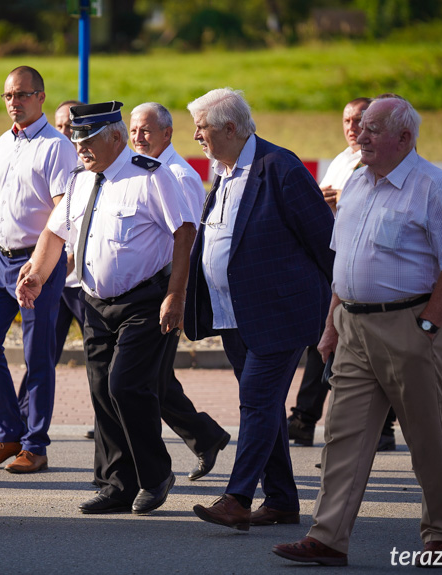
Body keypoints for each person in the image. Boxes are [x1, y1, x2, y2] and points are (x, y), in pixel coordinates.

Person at [273, 97, 442, 567]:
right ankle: (328, 538)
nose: (360, 136)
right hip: (352, 326)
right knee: (343, 436)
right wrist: (329, 328)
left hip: (408, 325)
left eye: (373, 130)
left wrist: (427, 327)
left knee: (424, 436)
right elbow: (344, 266)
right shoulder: (356, 184)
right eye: (360, 128)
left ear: (404, 138)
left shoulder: (433, 188)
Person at [16, 101, 195, 515]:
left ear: (116, 137)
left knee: (125, 386)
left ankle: (155, 476)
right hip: (95, 302)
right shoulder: (80, 180)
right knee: (101, 392)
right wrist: (37, 275)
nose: (80, 147)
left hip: (144, 300)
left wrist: (176, 294)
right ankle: (116, 484)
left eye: (88, 139)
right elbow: (54, 233)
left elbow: (184, 232)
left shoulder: (152, 176)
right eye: (76, 139)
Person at [184, 88, 335, 531]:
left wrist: (337, 312)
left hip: (281, 314)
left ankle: (237, 498)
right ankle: (284, 500)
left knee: (255, 400)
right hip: (235, 316)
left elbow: (324, 242)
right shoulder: (225, 170)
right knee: (264, 406)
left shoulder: (280, 167)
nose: (196, 136)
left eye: (202, 128)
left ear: (230, 128)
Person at [0, 66, 77, 474]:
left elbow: (64, 209)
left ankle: (35, 446)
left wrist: (42, 264)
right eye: (9, 96)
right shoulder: (3, 142)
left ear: (41, 97)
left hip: (37, 262)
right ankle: (9, 433)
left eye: (22, 95)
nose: (14, 102)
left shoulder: (57, 146)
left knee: (37, 356)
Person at [287, 97, 398, 453]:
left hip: (366, 266)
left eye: (361, 120)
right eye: (347, 120)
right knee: (323, 341)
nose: (353, 128)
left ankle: (378, 426)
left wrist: (339, 201)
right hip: (332, 261)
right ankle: (306, 419)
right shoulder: (341, 159)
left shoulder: (375, 162)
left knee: (361, 350)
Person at [129, 102, 230, 480]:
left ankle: (199, 440)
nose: (138, 137)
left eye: (147, 131)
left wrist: (179, 294)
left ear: (167, 134)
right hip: (152, 286)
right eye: (134, 130)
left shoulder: (177, 174)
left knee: (148, 379)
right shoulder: (143, 168)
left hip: (167, 287)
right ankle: (206, 436)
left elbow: (188, 238)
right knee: (154, 378)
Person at [16, 99, 94, 439]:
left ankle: (109, 421)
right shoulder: (58, 162)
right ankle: (20, 426)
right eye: (60, 126)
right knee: (40, 354)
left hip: (83, 282)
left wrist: (63, 263)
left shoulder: (94, 170)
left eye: (71, 127)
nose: (65, 133)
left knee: (101, 357)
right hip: (53, 279)